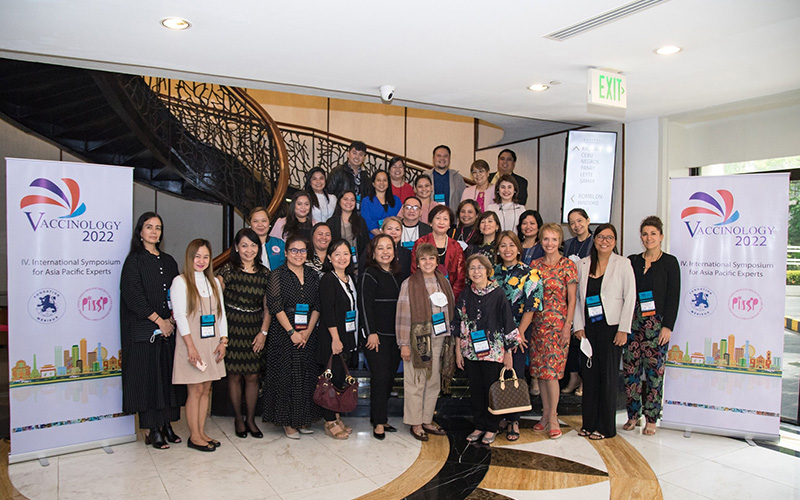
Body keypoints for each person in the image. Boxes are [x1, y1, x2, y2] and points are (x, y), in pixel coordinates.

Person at [120, 212, 185, 450]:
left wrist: (171, 320)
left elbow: (177, 293)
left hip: (168, 329)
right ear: (140, 231)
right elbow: (133, 296)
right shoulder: (134, 261)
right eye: (149, 227)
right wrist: (159, 320)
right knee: (149, 380)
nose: (154, 232)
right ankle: (152, 428)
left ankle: (167, 423)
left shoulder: (168, 261)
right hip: (145, 330)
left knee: (168, 378)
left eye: (158, 227)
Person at [573, 223, 636, 440]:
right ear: (595, 239)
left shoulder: (623, 264)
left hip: (612, 329)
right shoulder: (583, 264)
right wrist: (578, 326)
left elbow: (630, 298)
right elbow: (578, 299)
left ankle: (606, 427)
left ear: (615, 242)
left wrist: (623, 329)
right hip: (589, 330)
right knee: (589, 377)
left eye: (609, 238)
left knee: (607, 377)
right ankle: (589, 423)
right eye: (601, 237)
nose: (604, 241)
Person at [623, 216, 680, 436]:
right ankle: (632, 415)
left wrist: (668, 326)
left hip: (656, 327)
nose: (649, 238)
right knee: (630, 373)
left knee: (655, 375)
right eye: (645, 234)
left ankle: (652, 418)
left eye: (653, 234)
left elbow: (674, 296)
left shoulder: (670, 262)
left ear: (661, 236)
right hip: (632, 323)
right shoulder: (633, 261)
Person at [454, 254, 518, 445]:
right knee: (476, 390)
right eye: (472, 268)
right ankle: (480, 425)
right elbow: (459, 322)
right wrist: (458, 350)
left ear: (488, 270)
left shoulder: (497, 293)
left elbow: (507, 322)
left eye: (480, 268)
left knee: (492, 390)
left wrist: (508, 353)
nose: (476, 271)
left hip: (494, 352)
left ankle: (492, 427)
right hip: (470, 352)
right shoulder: (466, 293)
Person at [262, 235, 322, 439]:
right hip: (284, 333)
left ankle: (303, 418)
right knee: (287, 376)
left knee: (306, 375)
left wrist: (307, 331)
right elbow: (275, 306)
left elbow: (317, 306)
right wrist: (292, 333)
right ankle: (288, 422)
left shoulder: (313, 274)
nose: (299, 254)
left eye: (303, 250)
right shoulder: (277, 275)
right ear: (286, 253)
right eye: (294, 250)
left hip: (308, 333)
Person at [171, 239, 227, 452]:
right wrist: (190, 347)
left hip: (211, 343)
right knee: (195, 390)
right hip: (191, 343)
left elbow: (221, 315)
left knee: (206, 388)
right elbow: (180, 316)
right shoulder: (181, 282)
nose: (201, 261)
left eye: (205, 257)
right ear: (189, 257)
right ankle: (194, 436)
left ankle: (202, 432)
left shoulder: (212, 282)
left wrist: (224, 341)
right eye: (197, 256)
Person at [396, 243, 455, 441]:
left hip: (439, 339)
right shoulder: (409, 284)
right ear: (418, 263)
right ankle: (416, 422)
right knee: (416, 382)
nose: (428, 262)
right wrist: (403, 343)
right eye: (423, 259)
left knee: (433, 381)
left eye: (431, 258)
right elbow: (403, 315)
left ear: (437, 261)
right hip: (417, 340)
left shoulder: (443, 282)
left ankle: (427, 419)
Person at [216, 228, 270, 440]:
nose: (249, 250)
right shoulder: (228, 271)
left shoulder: (265, 274)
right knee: (235, 375)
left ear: (259, 248)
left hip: (255, 329)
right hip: (232, 329)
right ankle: (238, 418)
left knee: (253, 375)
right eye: (244, 245)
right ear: (237, 247)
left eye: (253, 245)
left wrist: (263, 332)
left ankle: (250, 419)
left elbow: (268, 308)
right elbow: (214, 301)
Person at [493, 231, 543, 441]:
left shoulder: (530, 273)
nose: (507, 249)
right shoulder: (491, 272)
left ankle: (514, 420)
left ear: (518, 249)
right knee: (496, 374)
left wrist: (518, 334)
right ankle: (500, 415)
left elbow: (532, 308)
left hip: (519, 331)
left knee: (514, 374)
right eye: (503, 246)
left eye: (511, 245)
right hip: (494, 333)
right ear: (498, 249)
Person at [529, 224, 577, 439]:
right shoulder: (535, 265)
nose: (550, 243)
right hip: (537, 325)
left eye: (554, 239)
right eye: (546, 239)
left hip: (558, 326)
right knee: (540, 372)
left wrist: (568, 325)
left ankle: (554, 417)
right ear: (540, 241)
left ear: (560, 241)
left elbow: (572, 299)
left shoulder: (568, 265)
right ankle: (545, 414)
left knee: (553, 373)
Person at [360, 234, 402, 440]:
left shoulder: (398, 274)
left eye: (389, 248)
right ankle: (377, 422)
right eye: (380, 248)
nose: (385, 252)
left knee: (390, 378)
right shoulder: (370, 273)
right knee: (380, 378)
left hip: (396, 337)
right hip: (376, 337)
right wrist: (371, 332)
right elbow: (365, 306)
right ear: (373, 253)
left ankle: (382, 417)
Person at [317, 239, 359, 440]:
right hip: (332, 338)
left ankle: (336, 415)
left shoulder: (351, 278)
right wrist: (335, 338)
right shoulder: (328, 279)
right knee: (330, 379)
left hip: (348, 336)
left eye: (345, 254)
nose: (342, 258)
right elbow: (328, 311)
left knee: (340, 378)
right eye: (337, 254)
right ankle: (329, 421)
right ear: (330, 258)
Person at [561, 208, 593, 396]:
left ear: (588, 221)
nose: (576, 225)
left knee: (586, 337)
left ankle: (585, 379)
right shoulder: (568, 244)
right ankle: (573, 377)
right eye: (572, 223)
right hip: (569, 295)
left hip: (589, 296)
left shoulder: (595, 242)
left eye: (580, 221)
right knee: (571, 340)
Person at [411, 205, 466, 301]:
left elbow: (460, 277)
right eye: (437, 218)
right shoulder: (420, 243)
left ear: (449, 224)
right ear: (431, 222)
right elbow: (414, 270)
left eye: (445, 219)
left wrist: (450, 296)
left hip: (450, 296)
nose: (441, 222)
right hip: (424, 295)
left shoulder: (456, 247)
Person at [327, 190, 370, 264]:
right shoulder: (331, 222)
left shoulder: (361, 221)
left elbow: (365, 244)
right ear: (339, 201)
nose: (349, 202)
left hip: (358, 264)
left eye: (352, 200)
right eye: (345, 199)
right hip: (338, 263)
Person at [361, 170, 401, 237]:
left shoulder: (396, 200)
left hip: (394, 238)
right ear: (373, 183)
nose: (381, 183)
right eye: (378, 180)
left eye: (384, 180)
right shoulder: (366, 201)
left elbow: (400, 219)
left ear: (388, 183)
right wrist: (383, 237)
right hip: (373, 239)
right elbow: (368, 223)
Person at [426, 144, 466, 211]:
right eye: (439, 156)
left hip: (452, 219)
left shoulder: (458, 178)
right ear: (433, 158)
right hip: (430, 219)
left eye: (445, 156)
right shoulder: (425, 177)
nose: (442, 158)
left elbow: (463, 202)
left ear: (449, 158)